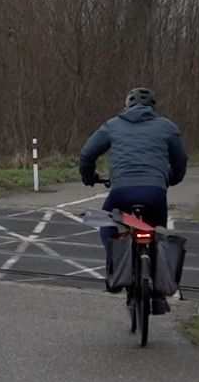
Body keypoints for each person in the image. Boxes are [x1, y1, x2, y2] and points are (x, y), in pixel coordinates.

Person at [79, 87, 188, 311]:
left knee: (107, 222)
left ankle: (116, 271)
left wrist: (89, 177)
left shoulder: (112, 125)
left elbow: (87, 154)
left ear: (126, 106)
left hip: (121, 192)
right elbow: (181, 158)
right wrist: (172, 179)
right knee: (157, 232)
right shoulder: (166, 126)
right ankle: (158, 295)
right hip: (155, 192)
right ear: (152, 108)